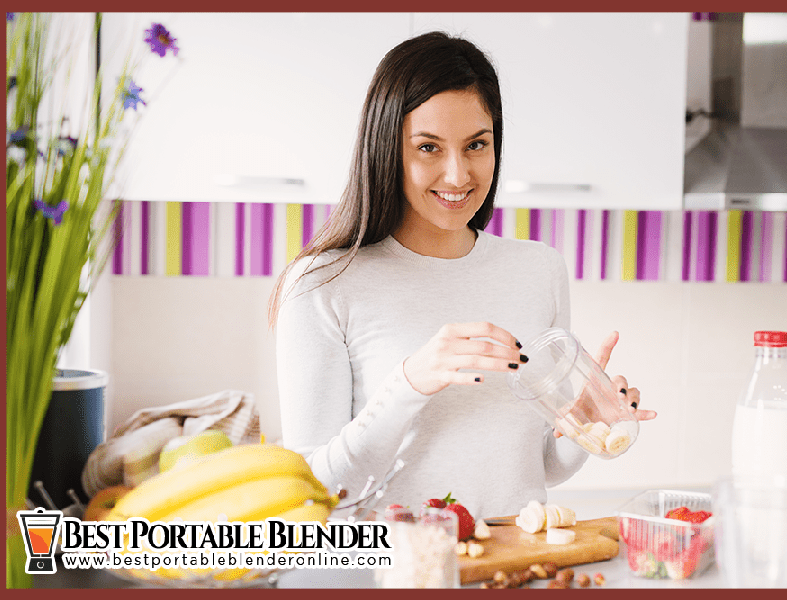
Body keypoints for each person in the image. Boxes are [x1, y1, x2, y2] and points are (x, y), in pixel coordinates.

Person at [269, 31, 655, 519]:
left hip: (515, 564)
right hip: (394, 572)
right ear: (386, 148)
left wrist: (583, 429)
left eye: (476, 144)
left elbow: (534, 467)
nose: (457, 175)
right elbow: (312, 489)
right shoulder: (323, 283)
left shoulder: (539, 270)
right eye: (428, 147)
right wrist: (409, 383)